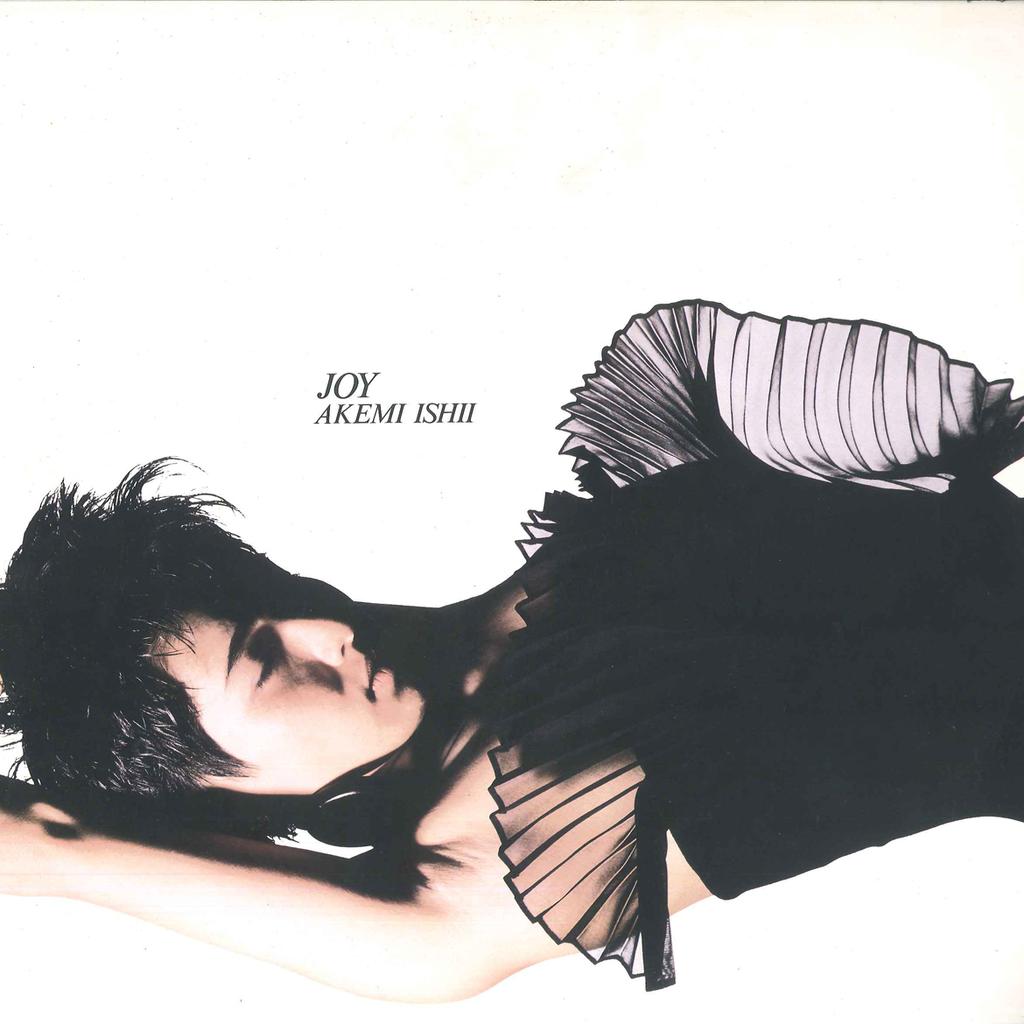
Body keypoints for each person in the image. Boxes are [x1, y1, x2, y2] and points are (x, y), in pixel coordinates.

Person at [2, 298, 1024, 1001]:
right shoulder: (475, 868)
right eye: (266, 664)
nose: (328, 628)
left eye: (280, 597)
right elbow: (49, 843)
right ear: (224, 797)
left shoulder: (599, 529)